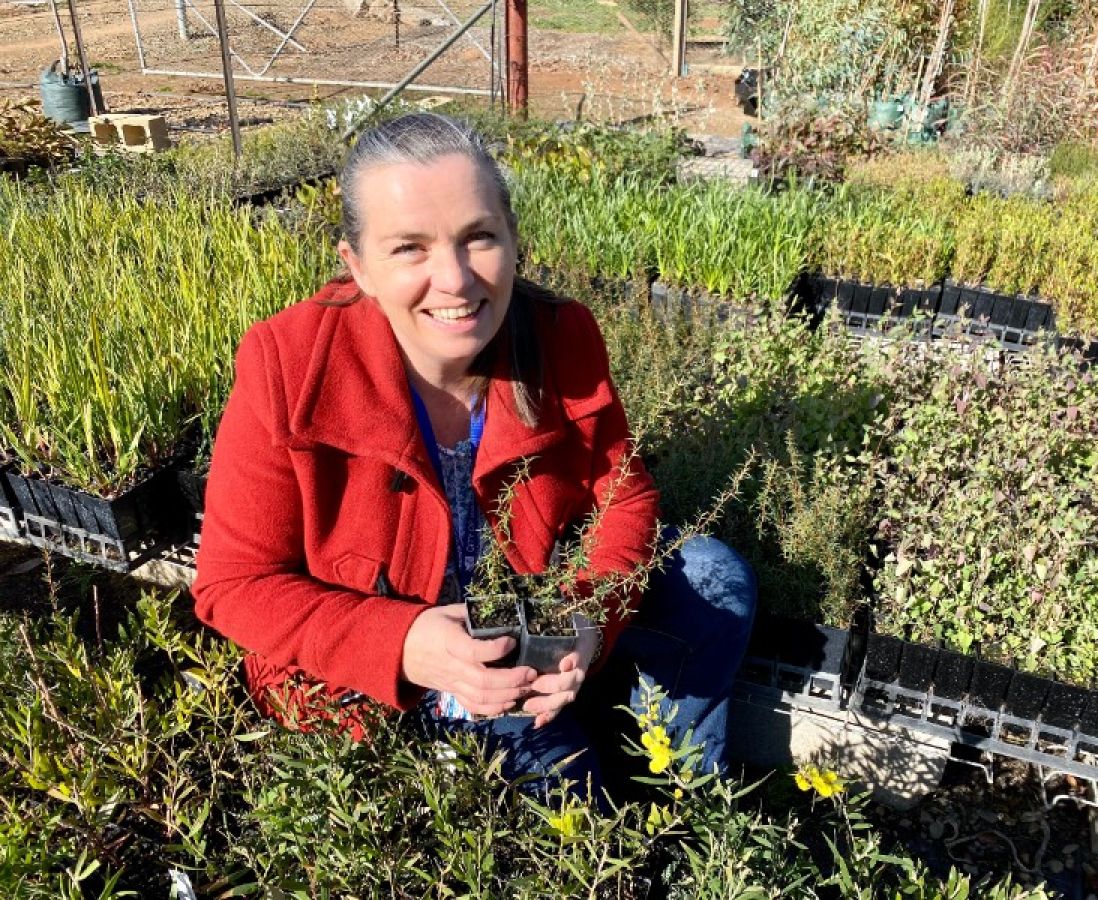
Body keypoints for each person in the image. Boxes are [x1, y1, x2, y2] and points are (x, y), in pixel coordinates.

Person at [192, 112, 756, 801]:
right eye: (409, 248)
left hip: (517, 632)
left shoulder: (559, 335)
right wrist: (403, 643)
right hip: (368, 682)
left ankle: (685, 800)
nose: (455, 279)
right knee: (574, 806)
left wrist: (587, 618)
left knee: (708, 578)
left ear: (513, 239)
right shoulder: (288, 362)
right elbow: (233, 586)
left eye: (478, 237)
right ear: (358, 266)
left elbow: (623, 498)